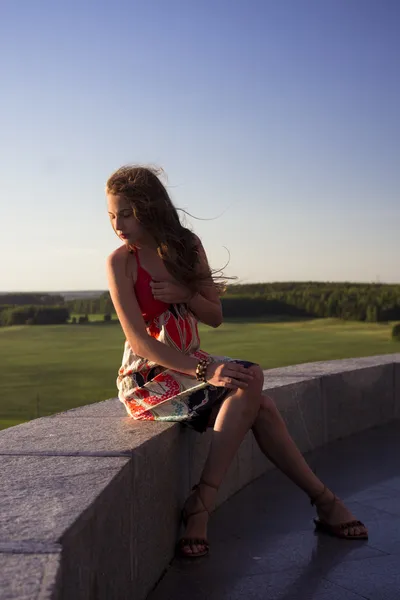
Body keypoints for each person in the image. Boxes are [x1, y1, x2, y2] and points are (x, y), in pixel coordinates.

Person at [105, 165, 368, 559]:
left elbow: (214, 315)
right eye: (111, 215)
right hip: (149, 376)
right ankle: (317, 500)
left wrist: (184, 292)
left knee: (253, 387)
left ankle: (205, 505)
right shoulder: (120, 262)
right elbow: (139, 341)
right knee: (254, 393)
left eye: (126, 212)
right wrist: (204, 369)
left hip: (192, 363)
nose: (117, 224)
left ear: (150, 207)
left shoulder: (187, 246)